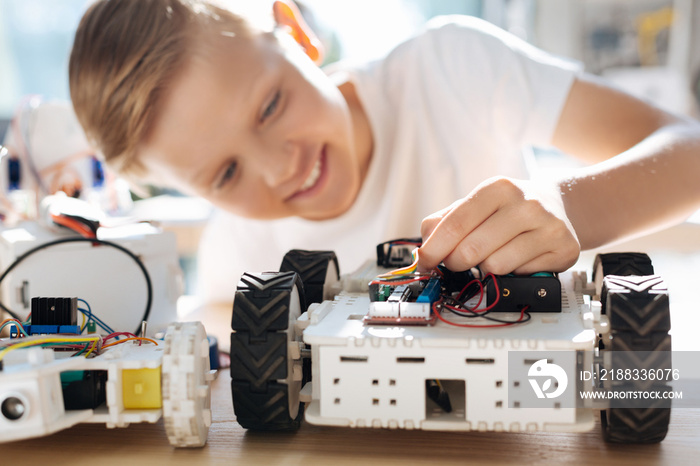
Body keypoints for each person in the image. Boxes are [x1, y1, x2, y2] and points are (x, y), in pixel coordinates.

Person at [69, 0, 700, 303]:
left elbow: (690, 152)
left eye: (269, 106)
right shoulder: (238, 253)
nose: (279, 165)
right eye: (226, 173)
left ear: (296, 32)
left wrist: (568, 209)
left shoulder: (449, 67)